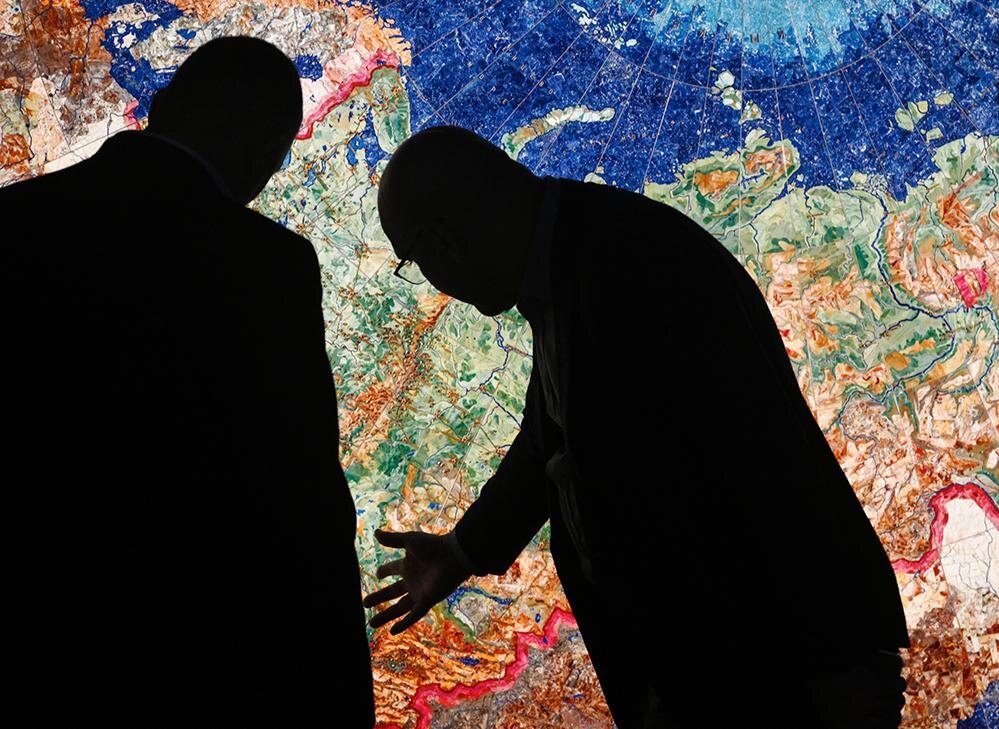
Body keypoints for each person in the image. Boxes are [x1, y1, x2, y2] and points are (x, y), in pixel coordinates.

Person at [365, 125, 909, 728]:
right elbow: (548, 439)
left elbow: (727, 482)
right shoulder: (582, 260)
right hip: (759, 664)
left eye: (416, 263)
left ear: (445, 241)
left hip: (781, 671)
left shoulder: (621, 273)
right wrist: (461, 551)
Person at [0, 37, 373, 727]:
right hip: (188, 662)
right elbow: (301, 496)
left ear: (163, 103)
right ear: (267, 151)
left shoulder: (13, 224)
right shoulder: (269, 268)